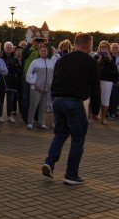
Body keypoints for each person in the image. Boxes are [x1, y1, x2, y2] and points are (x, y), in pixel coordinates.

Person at [41, 33, 100, 185]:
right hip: (74, 102)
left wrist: (53, 99)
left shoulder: (62, 59)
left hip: (57, 100)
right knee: (78, 138)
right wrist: (95, 111)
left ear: (75, 44)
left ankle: (49, 162)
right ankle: (71, 174)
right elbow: (95, 88)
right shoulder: (90, 61)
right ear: (89, 45)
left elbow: (55, 80)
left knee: (60, 133)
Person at [25, 44, 55, 130]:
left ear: (48, 52)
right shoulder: (35, 62)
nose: (43, 52)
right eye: (41, 50)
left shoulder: (51, 63)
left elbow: (53, 75)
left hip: (47, 89)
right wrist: (34, 82)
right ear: (39, 52)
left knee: (43, 107)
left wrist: (51, 84)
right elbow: (29, 74)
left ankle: (41, 123)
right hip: (36, 88)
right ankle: (30, 123)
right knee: (33, 105)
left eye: (44, 50)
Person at [0, 41, 20, 123]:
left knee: (11, 100)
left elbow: (18, 69)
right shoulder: (0, 58)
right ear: (4, 48)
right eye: (7, 47)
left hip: (12, 81)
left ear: (12, 49)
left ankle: (9, 115)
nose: (9, 49)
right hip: (3, 80)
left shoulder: (15, 58)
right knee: (1, 100)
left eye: (10, 47)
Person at [97, 50, 119, 124]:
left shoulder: (111, 62)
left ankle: (103, 118)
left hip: (107, 82)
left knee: (105, 100)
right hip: (97, 81)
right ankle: (91, 116)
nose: (103, 56)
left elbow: (116, 73)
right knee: (94, 98)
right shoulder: (97, 60)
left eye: (106, 54)